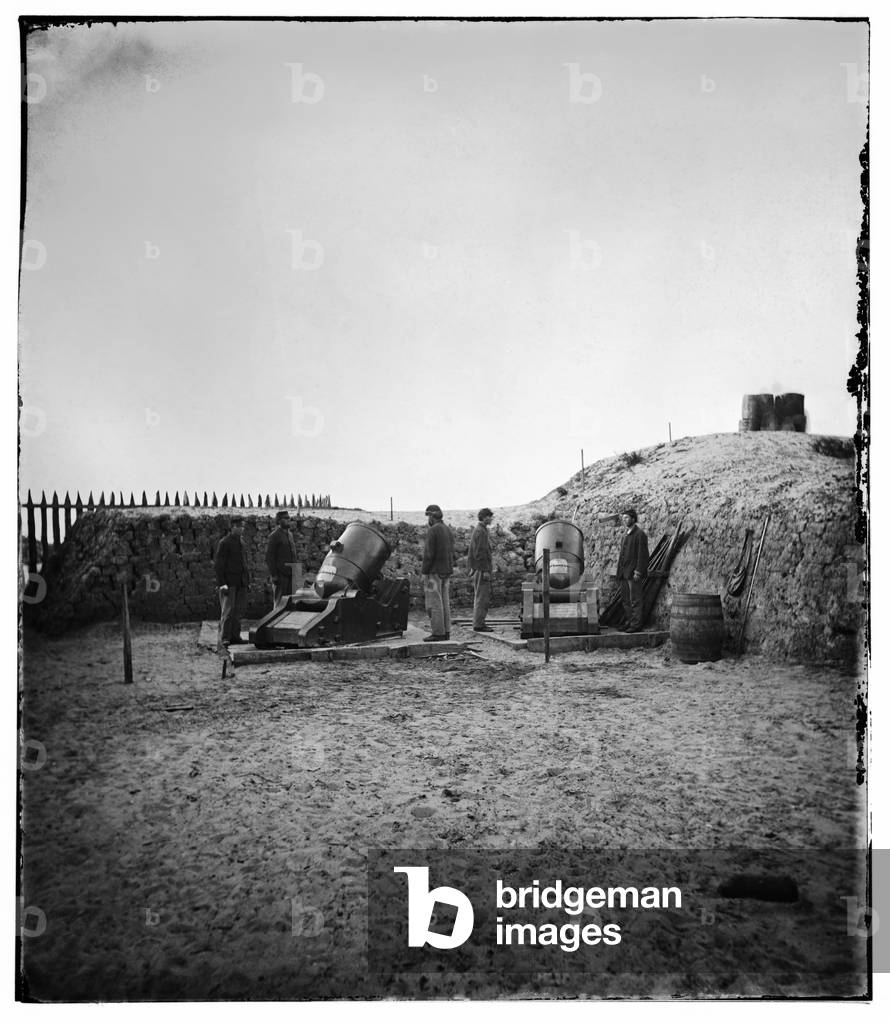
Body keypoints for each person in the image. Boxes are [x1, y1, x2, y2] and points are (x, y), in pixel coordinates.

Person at [214, 515, 250, 647]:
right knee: (228, 611)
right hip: (229, 583)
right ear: (232, 527)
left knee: (238, 611)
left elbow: (244, 564)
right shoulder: (224, 543)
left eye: (242, 527)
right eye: (239, 526)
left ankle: (235, 636)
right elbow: (219, 565)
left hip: (241, 582)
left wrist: (247, 581)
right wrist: (222, 584)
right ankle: (225, 637)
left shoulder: (242, 543)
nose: (241, 529)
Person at [421, 503, 454, 641]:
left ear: (431, 516)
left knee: (434, 602)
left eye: (428, 516)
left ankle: (438, 633)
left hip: (434, 573)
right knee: (445, 602)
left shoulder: (432, 530)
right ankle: (446, 631)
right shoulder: (447, 529)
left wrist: (424, 572)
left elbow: (429, 554)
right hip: (446, 571)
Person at [616, 508, 649, 632]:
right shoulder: (625, 535)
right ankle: (630, 622)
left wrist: (638, 571)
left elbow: (643, 555)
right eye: (623, 518)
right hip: (624, 573)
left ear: (633, 519)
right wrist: (619, 572)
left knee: (635, 600)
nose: (624, 520)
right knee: (626, 600)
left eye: (627, 518)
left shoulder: (640, 534)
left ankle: (636, 625)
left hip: (633, 573)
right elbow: (622, 555)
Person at [467, 507, 494, 632]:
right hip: (482, 569)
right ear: (485, 517)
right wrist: (485, 570)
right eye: (490, 516)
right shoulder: (481, 531)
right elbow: (480, 552)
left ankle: (478, 622)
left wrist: (473, 567)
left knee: (480, 596)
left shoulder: (480, 530)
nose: (491, 519)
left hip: (479, 568)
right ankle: (479, 624)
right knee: (482, 597)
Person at [266, 509, 298, 606]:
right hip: (281, 575)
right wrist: (274, 575)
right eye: (286, 518)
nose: (288, 520)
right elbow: (269, 557)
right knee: (279, 603)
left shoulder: (290, 535)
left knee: (291, 602)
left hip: (291, 573)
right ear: (279, 521)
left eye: (289, 518)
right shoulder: (274, 536)